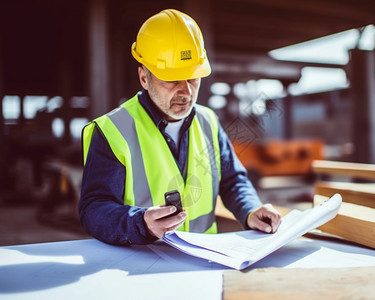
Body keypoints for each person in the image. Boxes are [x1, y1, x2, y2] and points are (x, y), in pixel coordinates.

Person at [79, 8, 281, 246]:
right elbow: (94, 208)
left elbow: (232, 180)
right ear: (144, 77)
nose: (186, 92)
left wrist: (250, 209)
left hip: (205, 259)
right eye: (172, 79)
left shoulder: (209, 122)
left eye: (192, 78)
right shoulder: (113, 130)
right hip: (140, 266)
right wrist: (140, 223)